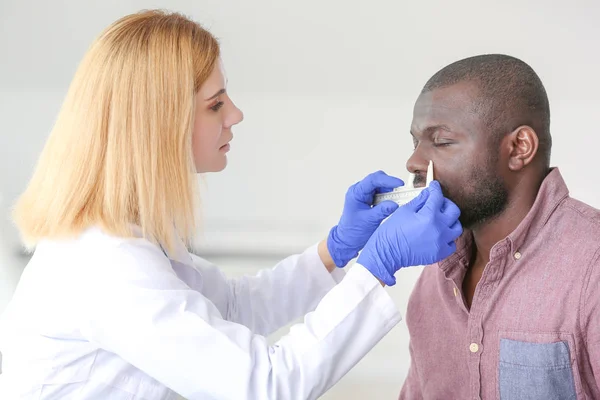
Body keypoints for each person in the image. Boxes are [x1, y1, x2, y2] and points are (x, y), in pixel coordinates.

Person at [0, 10, 463, 400]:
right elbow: (266, 385)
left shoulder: (126, 238)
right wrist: (378, 265)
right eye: (215, 104)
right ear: (161, 125)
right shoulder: (105, 265)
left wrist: (336, 250)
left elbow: (230, 308)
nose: (236, 115)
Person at [398, 53, 600, 399]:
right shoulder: (433, 280)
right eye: (416, 141)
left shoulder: (592, 265)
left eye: (441, 141)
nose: (414, 161)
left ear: (519, 148)